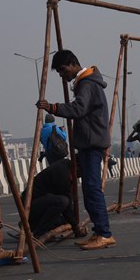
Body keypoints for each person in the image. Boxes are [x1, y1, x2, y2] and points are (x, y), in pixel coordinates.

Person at [36, 49, 115, 251]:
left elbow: (78, 109)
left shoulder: (87, 84)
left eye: (63, 71)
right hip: (91, 141)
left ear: (72, 64)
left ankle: (104, 233)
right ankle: (100, 231)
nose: (63, 76)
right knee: (89, 189)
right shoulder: (86, 83)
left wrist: (53, 108)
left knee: (92, 189)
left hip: (92, 142)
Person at [22, 159, 85, 239]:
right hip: (30, 206)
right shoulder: (63, 175)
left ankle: (32, 225)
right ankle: (39, 232)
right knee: (62, 202)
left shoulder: (65, 165)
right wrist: (76, 227)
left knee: (63, 220)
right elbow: (67, 208)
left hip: (39, 203)